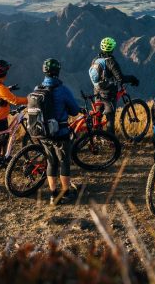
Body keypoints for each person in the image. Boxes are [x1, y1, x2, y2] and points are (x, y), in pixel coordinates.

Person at [39, 58, 82, 205]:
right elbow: (75, 110)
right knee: (64, 162)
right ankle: (66, 192)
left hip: (44, 134)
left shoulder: (38, 89)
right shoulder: (62, 90)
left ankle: (53, 195)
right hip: (60, 133)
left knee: (51, 162)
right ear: (58, 71)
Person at [89, 37, 139, 134]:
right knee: (110, 116)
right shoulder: (111, 62)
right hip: (108, 92)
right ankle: (111, 141)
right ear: (112, 49)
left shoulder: (96, 59)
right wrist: (133, 79)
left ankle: (96, 134)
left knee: (98, 113)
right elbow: (120, 78)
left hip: (97, 89)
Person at [0, 60, 27, 159]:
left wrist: (8, 89)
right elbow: (15, 100)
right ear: (4, 73)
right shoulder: (0, 88)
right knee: (4, 139)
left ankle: (1, 158)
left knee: (2, 139)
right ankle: (1, 160)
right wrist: (29, 100)